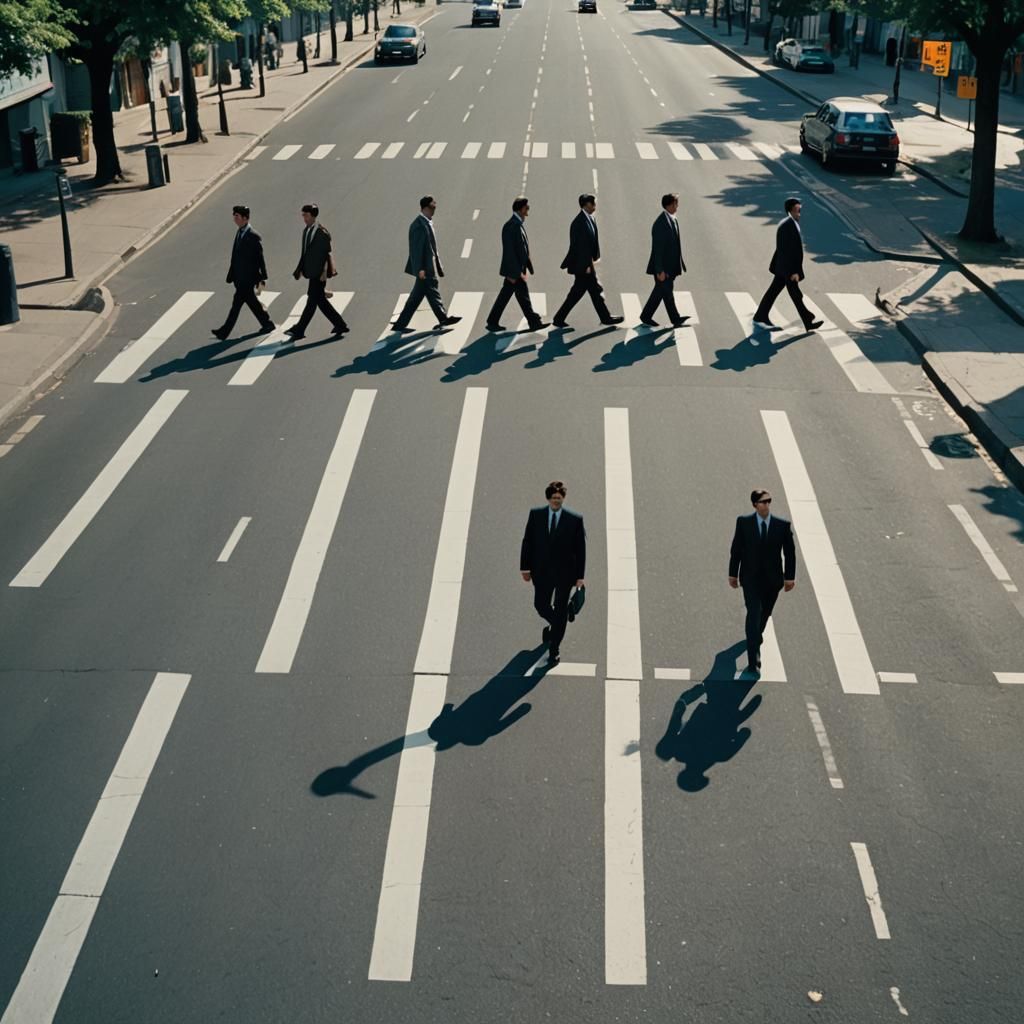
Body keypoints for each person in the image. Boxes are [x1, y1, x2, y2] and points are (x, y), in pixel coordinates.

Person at [728, 489, 796, 676]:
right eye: (762, 502)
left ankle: (755, 637)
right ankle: (753, 659)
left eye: (768, 501)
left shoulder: (782, 525)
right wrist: (733, 574)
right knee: (754, 613)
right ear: (754, 505)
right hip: (750, 579)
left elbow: (790, 553)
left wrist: (789, 577)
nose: (766, 505)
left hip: (773, 581)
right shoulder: (743, 523)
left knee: (765, 614)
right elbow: (736, 550)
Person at [520, 481, 586, 665]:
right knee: (540, 605)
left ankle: (554, 647)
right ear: (548, 498)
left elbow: (580, 549)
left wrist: (580, 576)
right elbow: (528, 542)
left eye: (559, 498)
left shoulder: (574, 519)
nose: (556, 501)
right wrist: (524, 568)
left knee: (560, 607)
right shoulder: (536, 515)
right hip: (541, 572)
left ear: (563, 498)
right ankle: (560, 621)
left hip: (565, 574)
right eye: (553, 498)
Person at [551, 194, 624, 330]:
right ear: (586, 205)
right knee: (581, 292)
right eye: (593, 203)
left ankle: (603, 317)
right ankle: (604, 318)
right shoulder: (579, 222)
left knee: (590, 291)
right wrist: (585, 266)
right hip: (583, 265)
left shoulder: (589, 219)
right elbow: (580, 246)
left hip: (586, 264)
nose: (595, 206)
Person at [752, 197, 824, 333]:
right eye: (797, 211)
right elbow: (785, 251)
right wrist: (794, 272)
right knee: (795, 295)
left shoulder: (790, 224)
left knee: (779, 292)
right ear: (790, 211)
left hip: (783, 268)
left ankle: (761, 315)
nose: (799, 214)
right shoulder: (787, 226)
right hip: (787, 269)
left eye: (800, 210)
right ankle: (808, 319)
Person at [392, 196, 461, 333]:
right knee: (431, 291)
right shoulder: (418, 226)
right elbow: (416, 250)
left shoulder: (426, 223)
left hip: (428, 266)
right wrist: (420, 269)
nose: (435, 207)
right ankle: (443, 318)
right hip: (425, 268)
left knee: (417, 297)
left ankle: (400, 324)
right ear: (425, 207)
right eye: (432, 205)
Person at [485, 196, 548, 333]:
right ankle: (534, 322)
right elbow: (510, 251)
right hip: (514, 271)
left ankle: (493, 321)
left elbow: (522, 248)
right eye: (527, 207)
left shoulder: (517, 224)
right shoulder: (511, 226)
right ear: (520, 209)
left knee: (509, 295)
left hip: (516, 270)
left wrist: (526, 267)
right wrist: (515, 272)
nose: (528, 210)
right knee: (521, 296)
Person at [212, 205, 274, 340]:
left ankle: (224, 332)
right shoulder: (240, 232)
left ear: (245, 218)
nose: (234, 219)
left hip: (248, 278)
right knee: (252, 302)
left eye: (237, 216)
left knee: (236, 305)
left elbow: (260, 258)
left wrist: (263, 277)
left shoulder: (253, 236)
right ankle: (267, 323)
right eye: (234, 216)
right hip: (240, 277)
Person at [288, 203, 349, 341]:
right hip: (311, 271)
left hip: (319, 273)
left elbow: (327, 254)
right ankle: (340, 324)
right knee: (319, 300)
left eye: (306, 215)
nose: (304, 218)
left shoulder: (322, 233)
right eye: (303, 215)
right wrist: (301, 268)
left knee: (313, 299)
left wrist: (324, 272)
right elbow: (305, 251)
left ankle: (300, 329)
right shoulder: (306, 231)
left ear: (313, 215)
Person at [639, 192, 689, 328]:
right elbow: (658, 249)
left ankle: (651, 316)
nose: (677, 206)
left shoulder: (671, 219)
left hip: (670, 267)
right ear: (670, 205)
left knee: (665, 292)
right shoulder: (661, 223)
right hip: (664, 269)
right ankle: (672, 318)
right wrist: (659, 270)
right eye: (676, 203)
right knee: (664, 291)